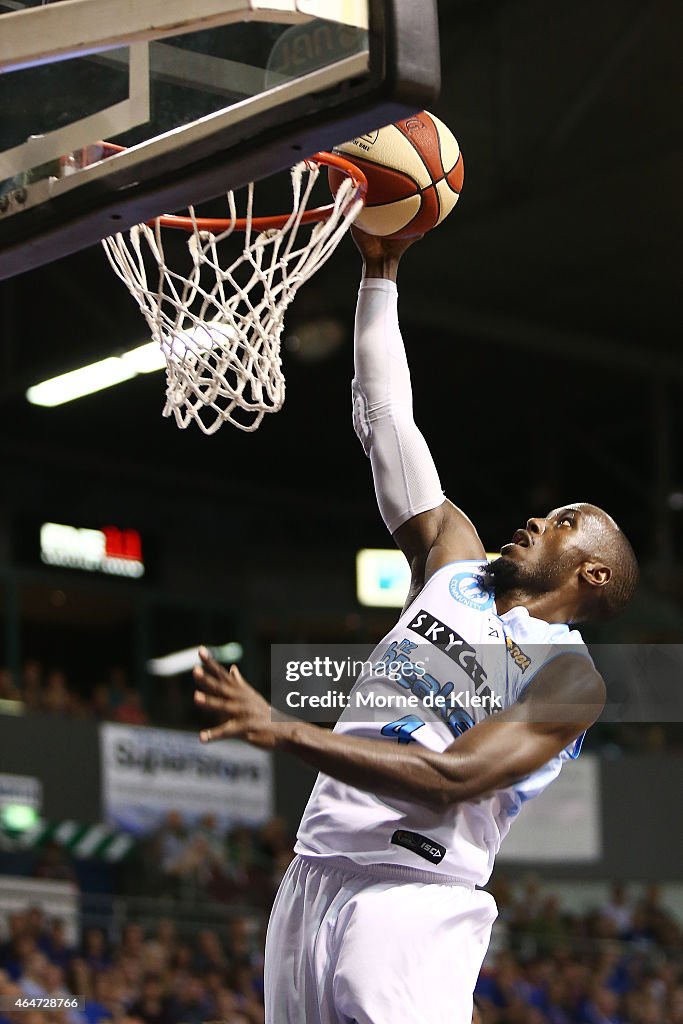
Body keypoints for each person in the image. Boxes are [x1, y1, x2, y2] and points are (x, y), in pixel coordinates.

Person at [192, 230, 639, 1024]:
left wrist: (282, 730)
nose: (538, 517)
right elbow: (385, 419)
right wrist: (379, 272)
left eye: (566, 522)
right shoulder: (452, 561)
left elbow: (455, 777)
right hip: (312, 876)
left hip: (413, 900)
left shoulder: (571, 680)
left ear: (592, 575)